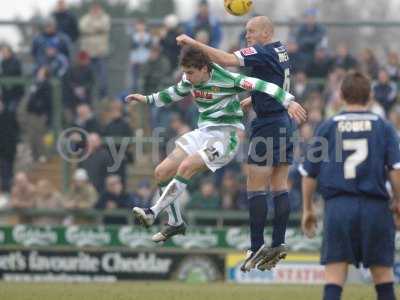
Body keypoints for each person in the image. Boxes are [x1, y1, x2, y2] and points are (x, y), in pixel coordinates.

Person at [125, 46, 306, 244]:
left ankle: (152, 212)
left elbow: (263, 85)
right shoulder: (189, 80)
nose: (187, 77)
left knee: (186, 167)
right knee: (161, 171)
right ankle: (175, 222)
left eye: (190, 73)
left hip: (225, 138)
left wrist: (289, 102)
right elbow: (172, 93)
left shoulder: (229, 79)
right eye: (185, 72)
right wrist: (145, 99)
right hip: (202, 133)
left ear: (204, 68)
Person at [177, 15, 306, 272]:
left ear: (266, 33)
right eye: (246, 31)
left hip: (268, 124)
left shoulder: (262, 51)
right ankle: (278, 242)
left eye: (251, 31)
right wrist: (254, 99)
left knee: (255, 186)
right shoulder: (280, 50)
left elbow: (226, 60)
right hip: (283, 121)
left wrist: (194, 43)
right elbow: (273, 80)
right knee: (280, 184)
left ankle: (256, 245)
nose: (247, 36)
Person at [300, 71, 400, 300]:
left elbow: (308, 174)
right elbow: (396, 169)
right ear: (370, 96)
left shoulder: (327, 126)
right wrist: (398, 200)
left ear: (342, 95)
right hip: (375, 207)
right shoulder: (384, 127)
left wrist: (307, 209)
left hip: (338, 208)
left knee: (334, 276)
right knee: (383, 276)